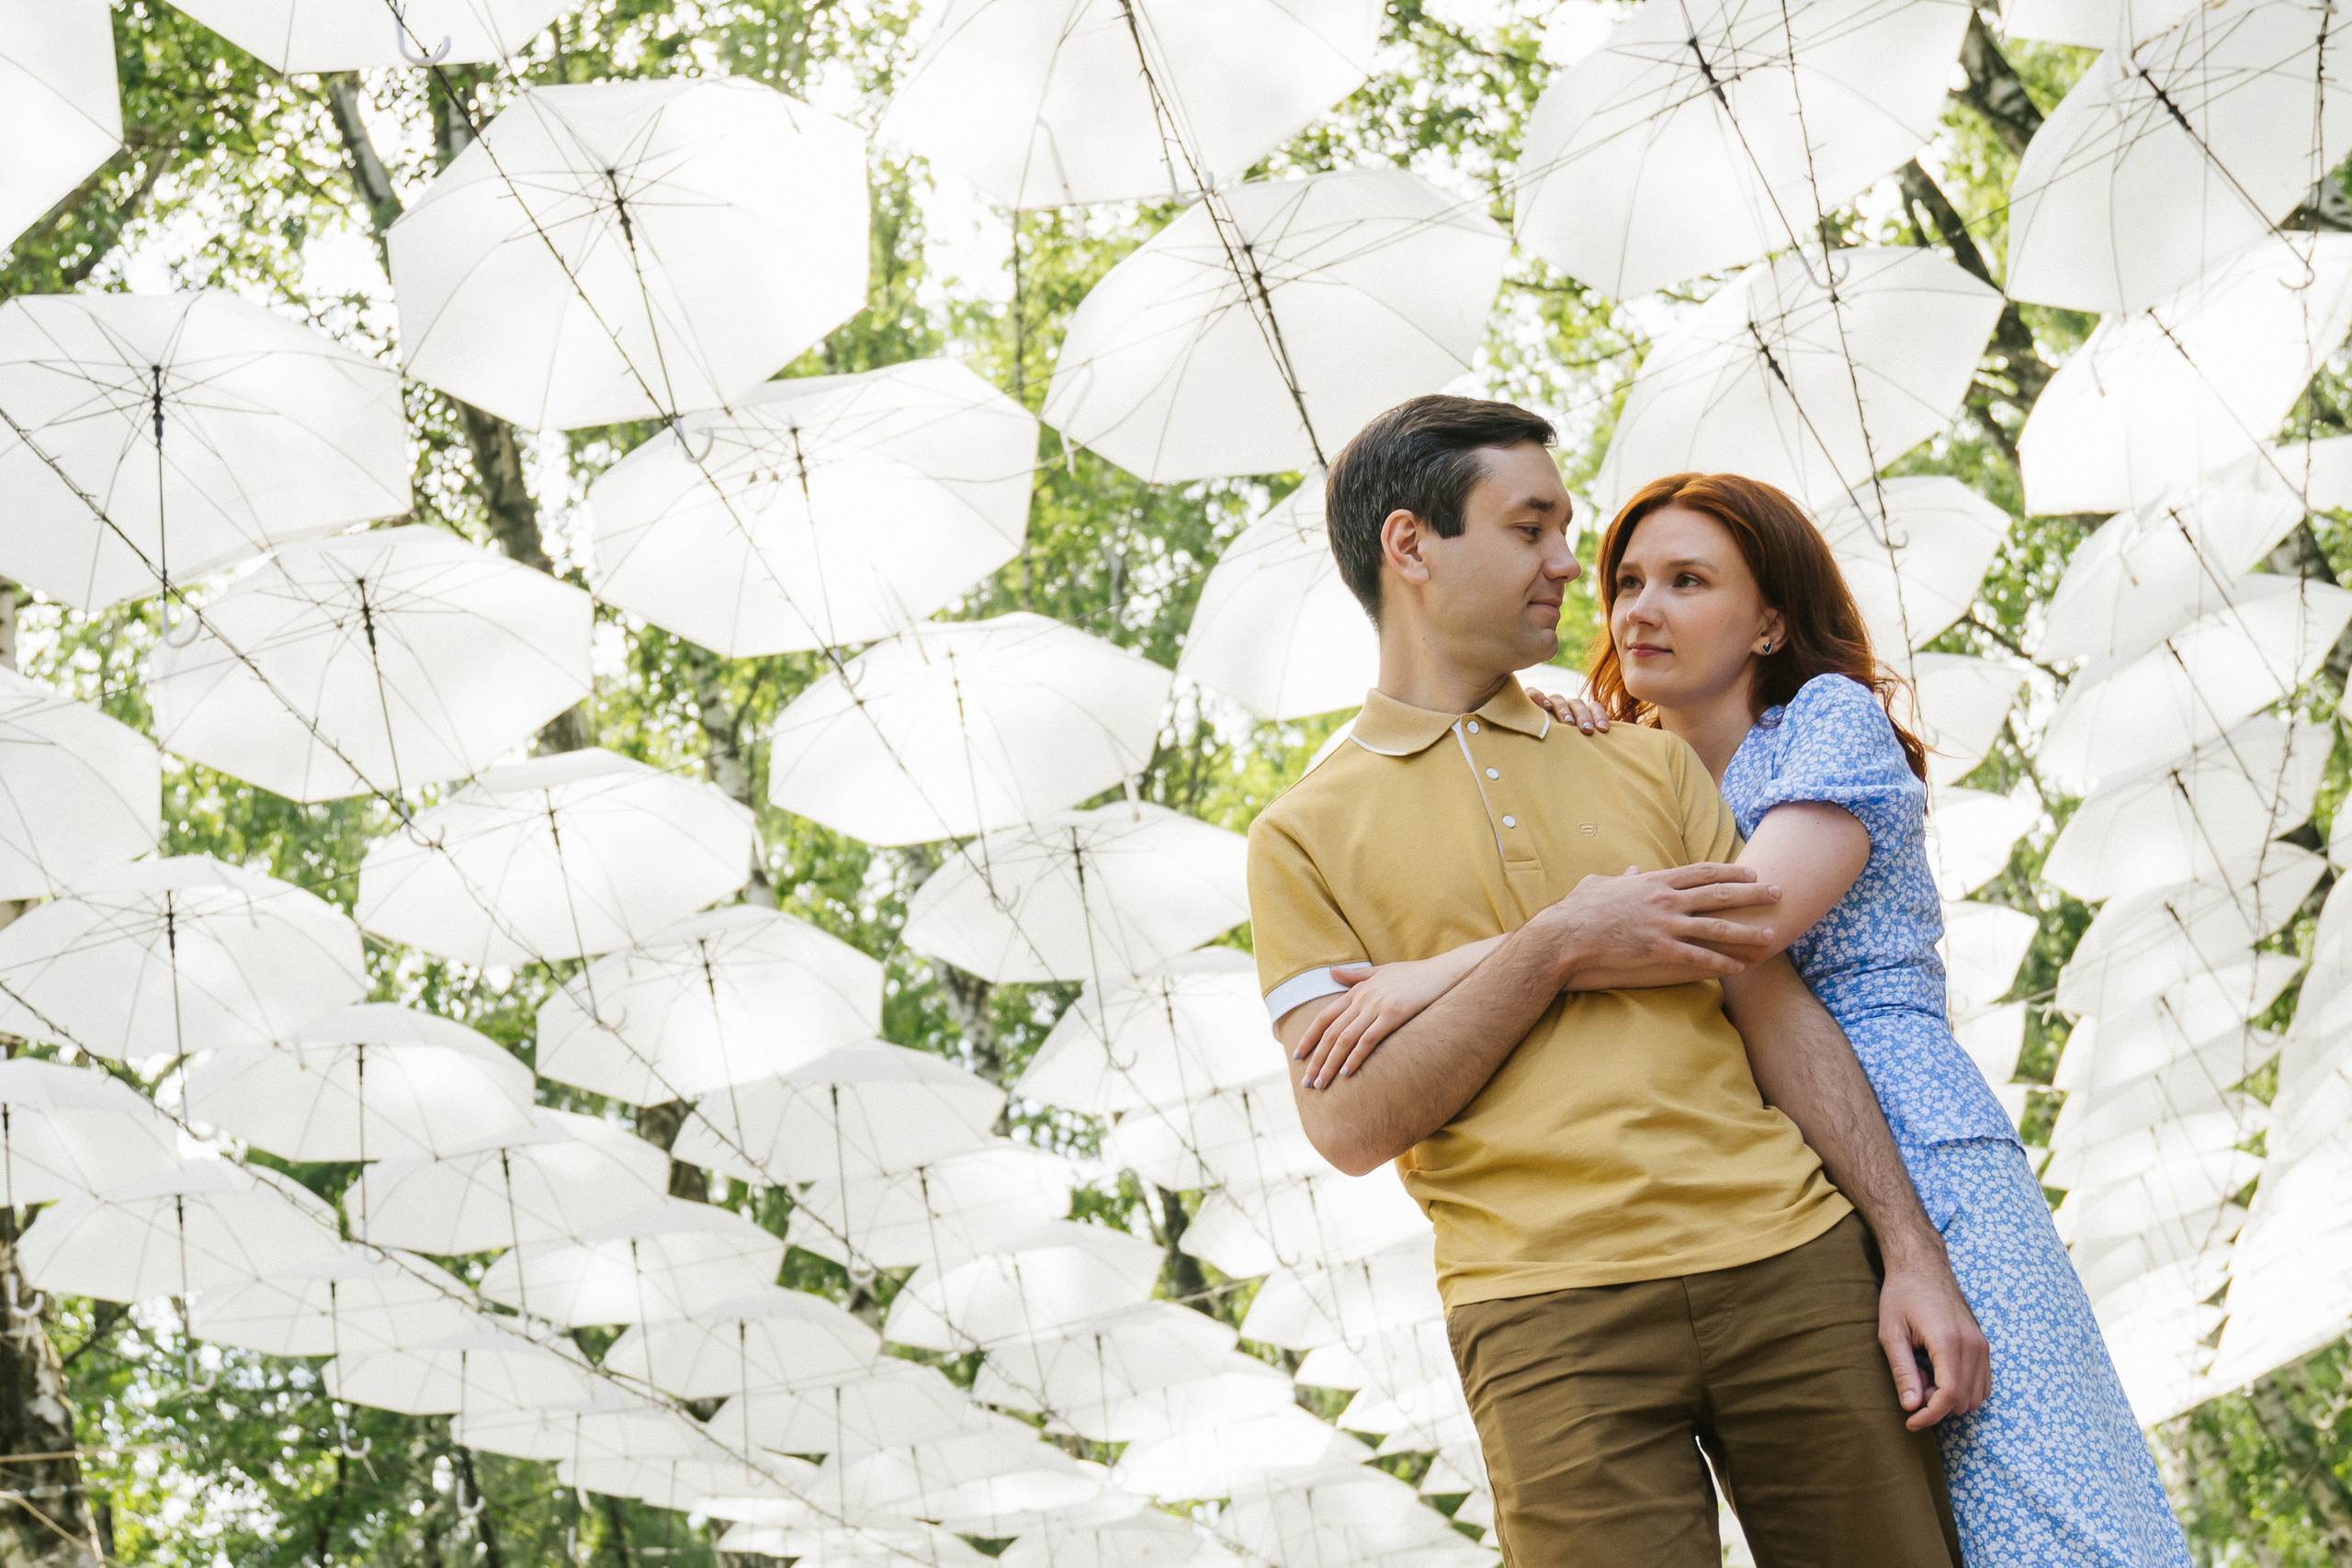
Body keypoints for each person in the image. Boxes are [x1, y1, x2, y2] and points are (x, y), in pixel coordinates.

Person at [1304, 469, 2194, 1567]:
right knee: (1930, 1522)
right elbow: (1626, 925)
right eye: (1626, 581)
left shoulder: (1828, 719)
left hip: (1911, 1136)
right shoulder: (1626, 763)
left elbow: (1736, 923)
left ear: (1769, 617)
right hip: (1772, 1161)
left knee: (2038, 1493)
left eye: (1686, 581)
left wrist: (1442, 972)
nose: (1640, 609)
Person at [1248, 395, 1988, 1568]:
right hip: (1542, 1318)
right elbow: (1349, 1122)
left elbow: (1775, 1011)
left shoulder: (1644, 759)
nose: (1566, 568)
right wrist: (1551, 947)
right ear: (1411, 547)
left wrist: (1907, 1249)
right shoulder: (1298, 837)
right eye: (1532, 527)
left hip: (1789, 1264)